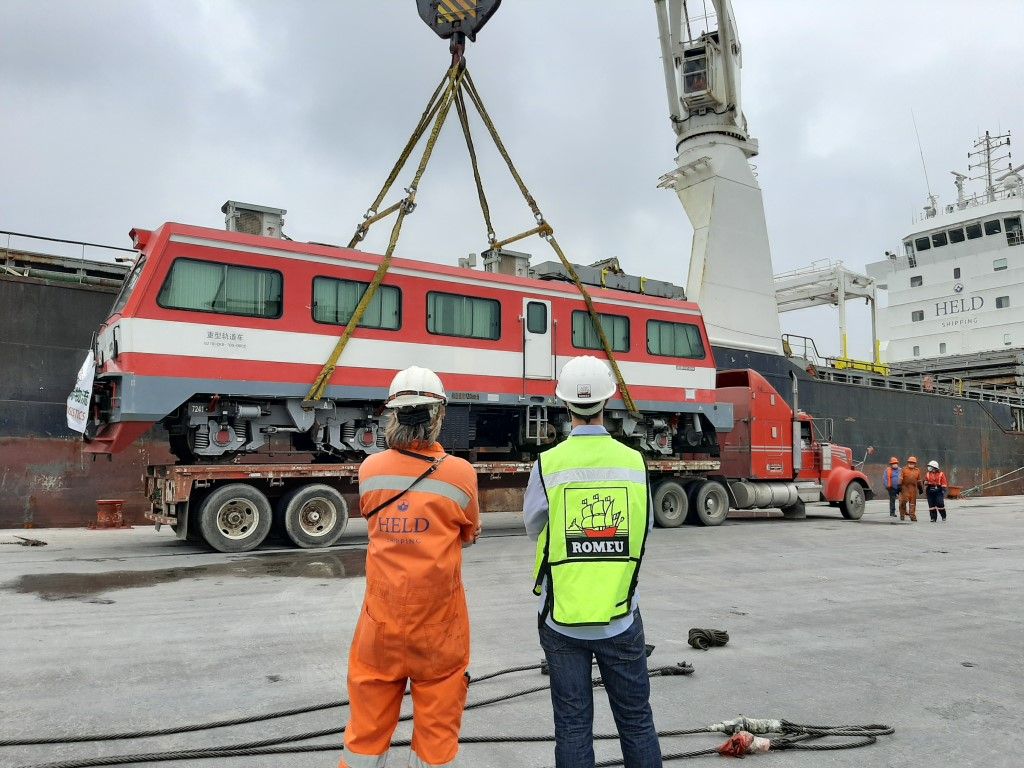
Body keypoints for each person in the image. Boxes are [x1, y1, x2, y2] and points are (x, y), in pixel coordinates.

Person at [524, 355, 662, 768]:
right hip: (620, 615)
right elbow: (645, 528)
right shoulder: (634, 463)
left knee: (572, 726)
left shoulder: (547, 465)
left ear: (564, 405)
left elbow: (535, 528)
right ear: (610, 400)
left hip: (562, 619)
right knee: (636, 722)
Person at [341, 366, 481, 768]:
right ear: (438, 416)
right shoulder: (460, 474)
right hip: (438, 628)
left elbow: (372, 518)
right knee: (437, 738)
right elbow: (468, 532)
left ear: (393, 414)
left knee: (365, 737)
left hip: (379, 624)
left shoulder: (370, 471)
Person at [899, 456, 923, 522]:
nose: (911, 464)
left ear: (915, 464)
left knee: (912, 503)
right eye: (910, 462)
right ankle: (902, 515)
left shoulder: (917, 471)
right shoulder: (904, 469)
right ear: (908, 463)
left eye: (912, 463)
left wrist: (920, 488)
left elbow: (919, 480)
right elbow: (900, 478)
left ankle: (912, 516)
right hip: (905, 488)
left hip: (913, 489)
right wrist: (899, 486)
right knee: (903, 502)